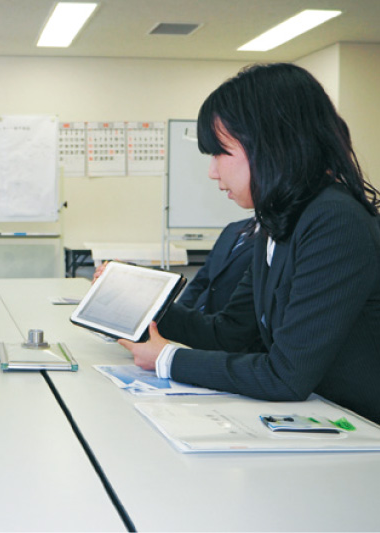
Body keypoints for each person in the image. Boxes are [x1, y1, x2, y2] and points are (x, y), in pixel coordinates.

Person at [117, 63, 380, 425]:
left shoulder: (333, 220)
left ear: (272, 144)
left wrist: (167, 359)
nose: (213, 171)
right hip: (321, 417)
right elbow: (229, 334)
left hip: (361, 431)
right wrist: (140, 305)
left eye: (221, 153)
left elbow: (286, 375)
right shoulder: (278, 220)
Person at [176, 217, 256, 314]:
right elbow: (202, 279)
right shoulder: (232, 229)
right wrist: (178, 312)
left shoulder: (271, 236)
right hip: (202, 317)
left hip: (234, 320)